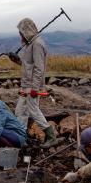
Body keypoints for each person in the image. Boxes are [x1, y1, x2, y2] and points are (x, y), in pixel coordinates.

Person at [14, 18, 60, 149]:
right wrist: (17, 61)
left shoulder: (37, 44)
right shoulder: (30, 44)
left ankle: (51, 136)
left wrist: (34, 88)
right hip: (26, 85)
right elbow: (29, 65)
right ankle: (20, 138)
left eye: (21, 32)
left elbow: (39, 68)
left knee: (33, 110)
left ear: (26, 31)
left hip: (32, 86)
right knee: (20, 111)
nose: (20, 35)